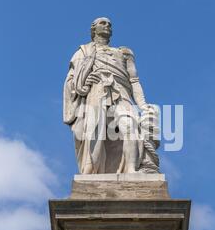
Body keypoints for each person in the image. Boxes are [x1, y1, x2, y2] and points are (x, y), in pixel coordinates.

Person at [63, 17, 151, 174]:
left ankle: (131, 169)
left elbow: (134, 81)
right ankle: (90, 170)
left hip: (121, 93)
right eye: (103, 23)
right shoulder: (83, 52)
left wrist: (143, 105)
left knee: (130, 126)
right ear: (94, 29)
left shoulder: (124, 53)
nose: (107, 26)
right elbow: (71, 79)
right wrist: (82, 84)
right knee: (94, 132)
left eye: (110, 24)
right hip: (95, 92)